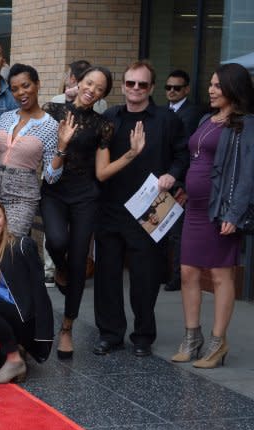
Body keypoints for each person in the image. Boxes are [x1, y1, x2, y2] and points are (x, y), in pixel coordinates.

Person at [94, 60, 189, 357]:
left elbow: (182, 154)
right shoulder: (110, 117)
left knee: (145, 279)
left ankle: (143, 337)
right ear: (123, 86)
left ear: (152, 87)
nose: (136, 89)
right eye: (131, 83)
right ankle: (110, 335)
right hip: (110, 209)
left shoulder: (167, 120)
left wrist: (173, 174)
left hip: (149, 211)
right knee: (107, 277)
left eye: (143, 84)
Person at [41, 66, 127, 359]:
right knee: (55, 241)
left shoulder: (103, 125)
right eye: (89, 83)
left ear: (103, 94)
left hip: (85, 197)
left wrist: (131, 154)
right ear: (78, 82)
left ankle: (67, 328)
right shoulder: (52, 111)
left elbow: (102, 173)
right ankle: (59, 268)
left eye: (100, 88)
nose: (92, 90)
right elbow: (39, 151)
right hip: (53, 191)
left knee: (79, 260)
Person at [172, 63, 254, 369]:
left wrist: (235, 212)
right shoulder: (207, 119)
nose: (211, 89)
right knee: (188, 273)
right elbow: (196, 160)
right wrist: (185, 188)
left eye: (218, 85)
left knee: (220, 276)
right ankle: (192, 338)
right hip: (193, 207)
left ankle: (218, 343)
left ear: (233, 88)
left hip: (221, 210)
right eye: (211, 84)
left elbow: (248, 174)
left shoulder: (244, 124)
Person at [0, 198, 53, 383]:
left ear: (4, 219)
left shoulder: (20, 247)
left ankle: (15, 358)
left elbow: (30, 299)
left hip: (23, 320)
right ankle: (12, 349)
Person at [0, 64, 61, 238]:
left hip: (22, 198)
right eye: (14, 89)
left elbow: (51, 177)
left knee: (10, 247)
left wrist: (62, 148)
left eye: (26, 85)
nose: (21, 92)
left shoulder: (50, 126)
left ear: (37, 84)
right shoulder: (6, 117)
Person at [163, 68, 204, 291]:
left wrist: (184, 183)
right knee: (159, 229)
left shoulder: (194, 113)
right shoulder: (162, 111)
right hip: (161, 179)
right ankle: (162, 272)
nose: (171, 91)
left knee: (177, 233)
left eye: (176, 88)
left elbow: (190, 151)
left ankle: (176, 276)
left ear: (186, 89)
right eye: (168, 87)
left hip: (181, 180)